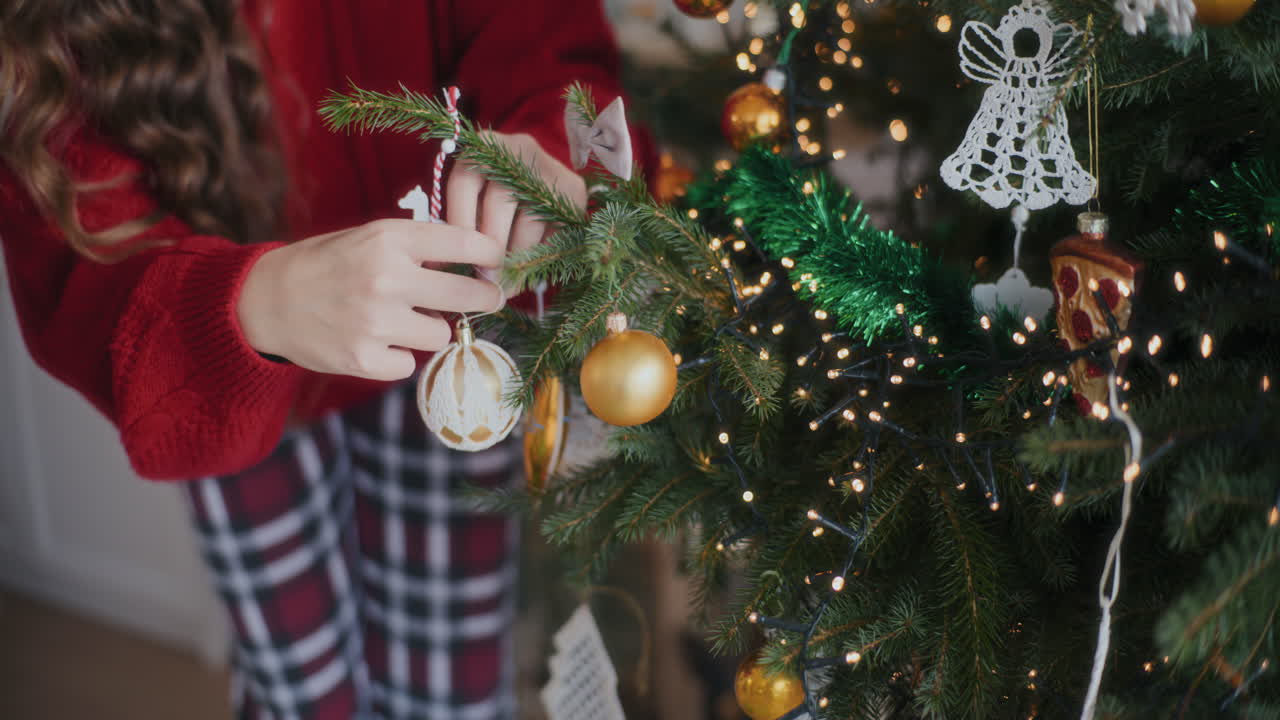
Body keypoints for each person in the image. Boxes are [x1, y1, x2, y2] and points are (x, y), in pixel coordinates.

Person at [0, 1, 639, 717]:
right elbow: (79, 262)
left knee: (452, 682)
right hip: (234, 375)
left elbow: (541, 36)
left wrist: (539, 140)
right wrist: (250, 305)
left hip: (451, 324)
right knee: (302, 692)